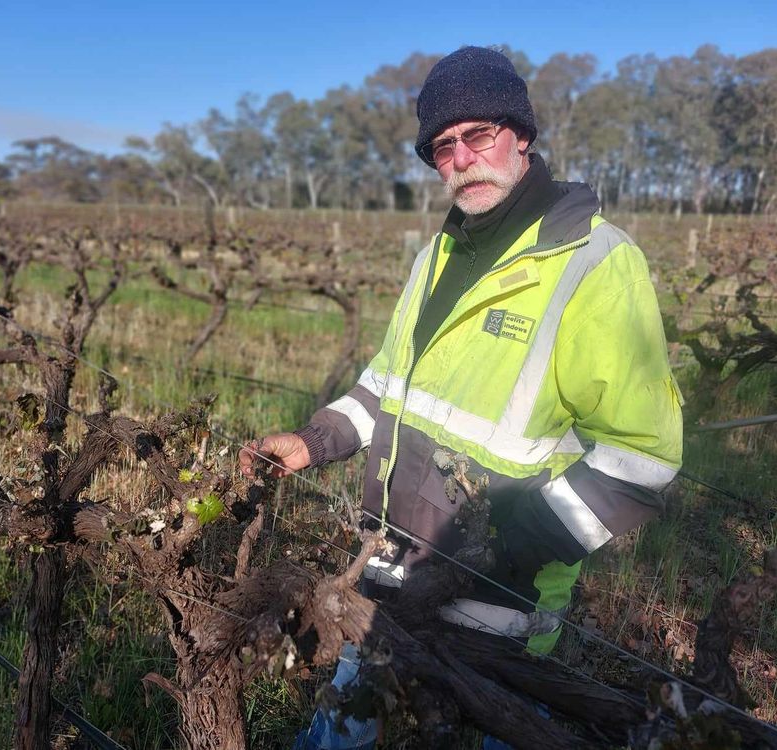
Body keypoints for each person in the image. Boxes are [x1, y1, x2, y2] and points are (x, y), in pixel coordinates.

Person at [239, 45, 683, 749]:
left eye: (478, 135)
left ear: (522, 136)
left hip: (495, 612)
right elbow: (387, 384)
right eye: (442, 147)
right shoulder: (436, 256)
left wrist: (499, 552)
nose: (462, 158)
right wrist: (314, 441)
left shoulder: (594, 264)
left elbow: (642, 458)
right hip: (384, 579)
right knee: (341, 737)